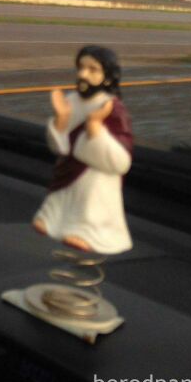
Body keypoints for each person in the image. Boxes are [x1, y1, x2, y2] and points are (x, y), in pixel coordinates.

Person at [32, 45, 133, 255]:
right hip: (67, 170)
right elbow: (59, 147)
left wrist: (95, 126)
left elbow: (121, 161)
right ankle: (52, 220)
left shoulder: (112, 108)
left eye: (92, 69)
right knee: (60, 197)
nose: (82, 74)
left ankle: (87, 231)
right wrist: (61, 120)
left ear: (107, 77)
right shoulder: (71, 101)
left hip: (96, 174)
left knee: (91, 196)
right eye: (81, 67)